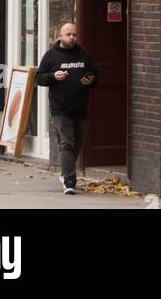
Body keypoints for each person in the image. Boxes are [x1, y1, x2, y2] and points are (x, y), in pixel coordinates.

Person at [35, 23, 99, 194]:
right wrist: (53, 76)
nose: (72, 37)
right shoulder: (51, 55)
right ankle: (69, 179)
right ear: (60, 36)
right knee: (67, 143)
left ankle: (66, 172)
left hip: (80, 107)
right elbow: (39, 78)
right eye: (69, 34)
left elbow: (95, 75)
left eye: (75, 34)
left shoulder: (83, 55)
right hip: (60, 108)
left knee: (77, 143)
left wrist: (91, 81)